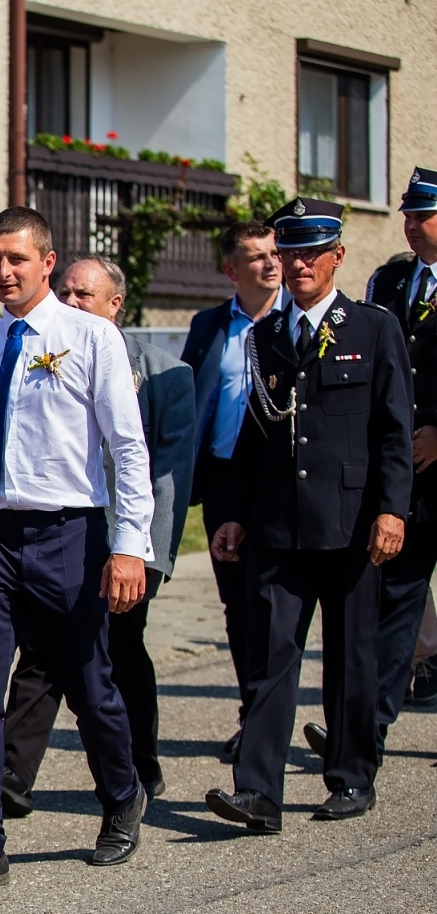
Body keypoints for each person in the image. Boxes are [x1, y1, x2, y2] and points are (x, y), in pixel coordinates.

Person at [0, 207, 153, 899]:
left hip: (70, 534)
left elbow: (126, 447)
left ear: (47, 261)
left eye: (17, 259)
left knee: (91, 684)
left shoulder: (91, 338)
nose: (4, 272)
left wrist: (130, 547)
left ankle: (121, 796)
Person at [206, 199, 412, 832]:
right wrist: (235, 512)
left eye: (310, 253)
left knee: (351, 656)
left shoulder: (373, 328)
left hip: (350, 522)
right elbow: (255, 432)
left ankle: (351, 777)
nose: (297, 264)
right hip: (278, 522)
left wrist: (391, 511)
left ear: (337, 258)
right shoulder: (266, 334)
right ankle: (259, 792)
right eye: (288, 252)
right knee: (271, 655)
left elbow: (393, 432)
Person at [0, 255, 196, 814]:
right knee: (40, 652)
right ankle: (11, 776)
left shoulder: (163, 372)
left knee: (118, 652)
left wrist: (142, 554)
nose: (71, 302)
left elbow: (166, 471)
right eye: (65, 292)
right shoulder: (41, 355)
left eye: (85, 294)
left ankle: (139, 766)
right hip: (61, 538)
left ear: (116, 304)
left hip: (127, 544)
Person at [302, 167, 437, 761]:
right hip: (405, 469)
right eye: (406, 215)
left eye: (422, 215)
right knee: (394, 603)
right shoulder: (392, 279)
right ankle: (367, 731)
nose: (410, 226)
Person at [179, 221, 285, 757]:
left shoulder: (299, 321)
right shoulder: (209, 325)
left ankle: (277, 723)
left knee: (277, 606)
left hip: (284, 481)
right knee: (239, 606)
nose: (271, 263)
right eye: (256, 256)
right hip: (223, 479)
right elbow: (190, 401)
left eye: (275, 252)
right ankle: (254, 716)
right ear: (230, 269)